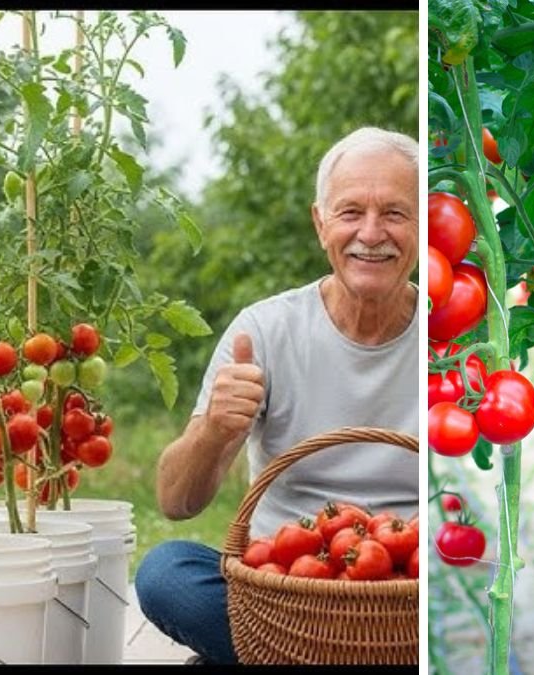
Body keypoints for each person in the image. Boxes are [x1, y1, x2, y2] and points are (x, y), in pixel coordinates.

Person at [133, 126, 419, 664]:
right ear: (320, 224)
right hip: (285, 587)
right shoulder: (264, 330)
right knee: (165, 572)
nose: (372, 233)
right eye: (351, 212)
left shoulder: (444, 337)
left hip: (405, 593)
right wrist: (217, 429)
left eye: (396, 214)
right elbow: (176, 502)